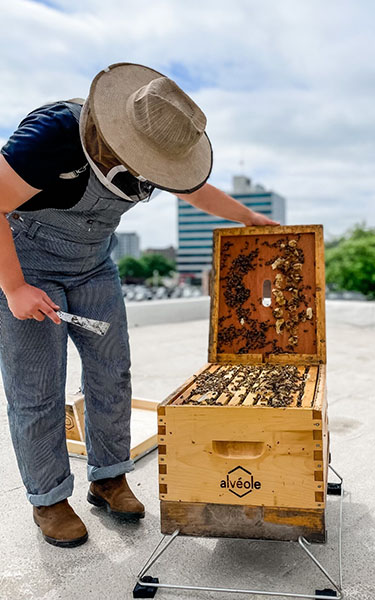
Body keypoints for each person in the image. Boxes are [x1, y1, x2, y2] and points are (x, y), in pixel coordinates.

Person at [0, 62, 278, 548]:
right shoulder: (52, 137)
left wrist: (249, 217)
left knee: (113, 372)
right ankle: (48, 498)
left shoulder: (161, 142)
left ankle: (108, 477)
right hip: (27, 263)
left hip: (94, 266)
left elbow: (197, 191)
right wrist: (14, 287)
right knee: (37, 386)